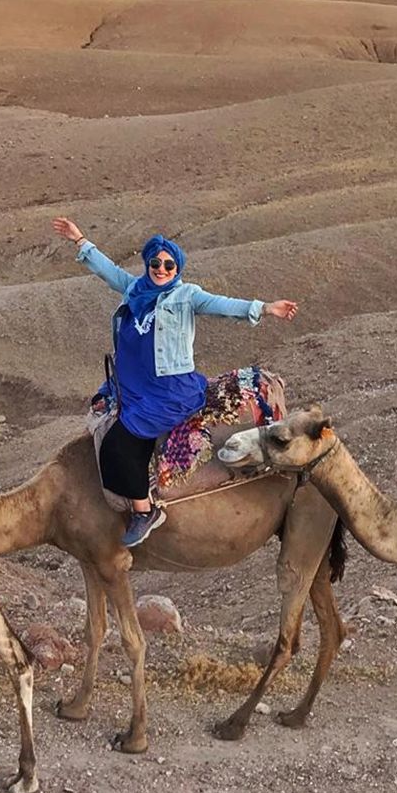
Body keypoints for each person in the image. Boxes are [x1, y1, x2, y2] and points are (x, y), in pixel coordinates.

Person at [52, 216, 300, 546]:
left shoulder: (185, 296)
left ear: (177, 268)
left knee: (118, 445)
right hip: (134, 386)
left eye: (169, 264)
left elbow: (222, 305)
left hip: (168, 390)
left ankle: (145, 511)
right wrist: (79, 239)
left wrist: (265, 308)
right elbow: (107, 270)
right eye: (155, 262)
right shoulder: (134, 290)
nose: (161, 268)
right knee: (119, 436)